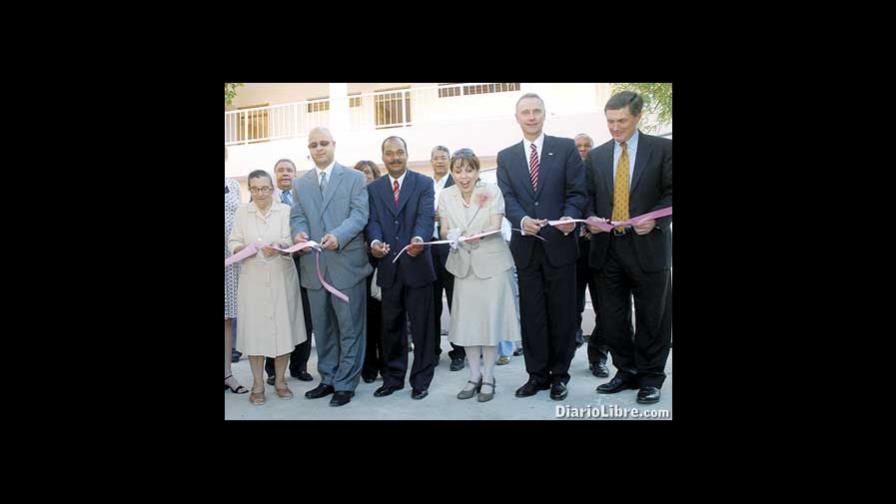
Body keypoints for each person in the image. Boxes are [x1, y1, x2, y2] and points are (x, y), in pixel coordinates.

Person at [496, 93, 587, 401]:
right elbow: (507, 198)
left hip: (560, 246)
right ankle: (536, 375)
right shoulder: (506, 156)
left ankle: (560, 375)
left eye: (536, 111)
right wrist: (521, 220)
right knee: (532, 315)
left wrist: (570, 217)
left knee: (562, 315)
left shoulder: (565, 149)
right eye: (526, 112)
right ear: (517, 117)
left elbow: (578, 192)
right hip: (527, 247)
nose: (531, 116)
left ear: (545, 114)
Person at [584, 91, 672, 404]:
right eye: (610, 121)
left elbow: (670, 194)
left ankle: (650, 377)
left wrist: (657, 221)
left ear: (637, 117)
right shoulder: (596, 156)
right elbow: (587, 197)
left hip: (648, 246)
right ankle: (626, 371)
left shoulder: (663, 149)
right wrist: (590, 217)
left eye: (621, 120)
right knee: (612, 317)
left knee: (653, 316)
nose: (615, 127)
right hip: (608, 249)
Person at [291, 127, 372, 407]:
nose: (319, 148)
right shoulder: (300, 185)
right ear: (309, 149)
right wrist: (298, 234)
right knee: (323, 329)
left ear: (334, 145)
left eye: (323, 143)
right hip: (314, 269)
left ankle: (346, 383)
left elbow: (360, 214)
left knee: (349, 327)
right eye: (313, 144)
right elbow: (298, 217)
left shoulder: (354, 178)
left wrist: (339, 235)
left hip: (346, 266)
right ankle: (327, 378)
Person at [439, 148, 521, 402]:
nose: (464, 176)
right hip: (463, 266)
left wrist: (470, 236)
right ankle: (472, 376)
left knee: (489, 325)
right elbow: (443, 228)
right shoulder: (445, 195)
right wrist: (449, 236)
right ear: (452, 171)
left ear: (476, 171)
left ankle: (488, 376)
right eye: (458, 170)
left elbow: (495, 225)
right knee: (468, 325)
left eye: (469, 169)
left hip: (492, 265)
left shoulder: (491, 191)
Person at [229, 170, 308, 405]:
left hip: (281, 277)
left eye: (265, 188)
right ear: (250, 190)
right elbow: (233, 241)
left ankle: (281, 381)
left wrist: (280, 245)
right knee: (255, 334)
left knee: (283, 331)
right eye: (255, 189)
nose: (260, 193)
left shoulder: (285, 211)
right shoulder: (242, 212)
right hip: (252, 279)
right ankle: (257, 384)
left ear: (272, 189)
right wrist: (240, 249)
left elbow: (291, 238)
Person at [367, 136, 437, 400]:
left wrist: (419, 238)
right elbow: (372, 221)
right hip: (388, 267)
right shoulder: (373, 189)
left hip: (418, 266)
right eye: (389, 153)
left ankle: (421, 380)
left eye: (399, 152)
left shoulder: (423, 183)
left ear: (407, 154)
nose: (395, 157)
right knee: (391, 327)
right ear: (382, 157)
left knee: (422, 328)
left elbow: (425, 217)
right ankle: (393, 378)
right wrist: (374, 242)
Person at [263, 159, 315, 385]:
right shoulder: (265, 201)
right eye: (281, 170)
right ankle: (272, 369)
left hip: (303, 265)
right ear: (275, 175)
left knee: (303, 318)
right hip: (275, 267)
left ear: (295, 174)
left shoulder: (304, 200)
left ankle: (299, 367)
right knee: (274, 317)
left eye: (289, 170)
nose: (285, 174)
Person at [574, 133, 610, 377]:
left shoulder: (602, 173)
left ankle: (598, 357)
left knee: (606, 308)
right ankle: (566, 352)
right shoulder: (565, 176)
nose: (583, 150)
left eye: (588, 145)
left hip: (600, 250)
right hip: (572, 253)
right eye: (579, 146)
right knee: (569, 307)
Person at [429, 145, 466, 372]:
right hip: (428, 250)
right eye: (436, 158)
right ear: (431, 161)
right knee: (430, 305)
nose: (440, 161)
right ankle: (432, 351)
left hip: (452, 249)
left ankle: (459, 351)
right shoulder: (425, 184)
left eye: (444, 158)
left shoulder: (457, 184)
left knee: (456, 303)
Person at [354, 160, 385, 383]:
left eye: (368, 173)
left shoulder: (380, 198)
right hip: (356, 264)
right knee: (364, 318)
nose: (365, 177)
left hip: (380, 261)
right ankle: (368, 365)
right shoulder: (352, 200)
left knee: (382, 316)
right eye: (360, 174)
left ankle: (385, 362)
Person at [224, 147, 247, 394]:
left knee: (227, 320)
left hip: (229, 261)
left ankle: (227, 374)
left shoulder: (232, 184)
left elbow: (239, 220)